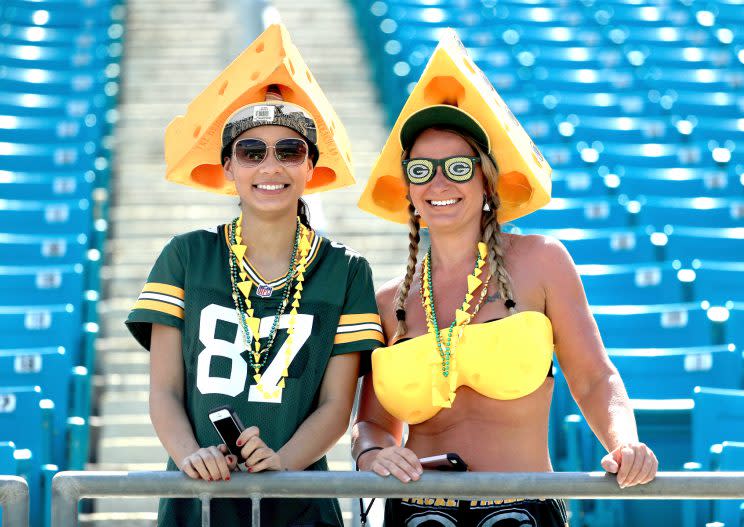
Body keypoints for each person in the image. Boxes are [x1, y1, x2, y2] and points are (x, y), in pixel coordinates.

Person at [352, 108, 658, 525]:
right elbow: (372, 422)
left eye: (458, 167)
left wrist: (625, 442)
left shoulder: (542, 261)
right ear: (408, 188)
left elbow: (593, 379)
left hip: (523, 508)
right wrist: (373, 454)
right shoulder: (389, 300)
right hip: (417, 512)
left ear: (487, 181)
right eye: (421, 170)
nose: (438, 182)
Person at [126, 75, 384, 525]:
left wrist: (280, 464)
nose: (271, 166)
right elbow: (164, 390)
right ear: (228, 166)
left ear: (311, 168)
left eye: (290, 152)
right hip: (197, 495)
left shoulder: (346, 271)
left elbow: (336, 406)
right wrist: (191, 455)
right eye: (251, 152)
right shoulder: (186, 256)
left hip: (300, 499)